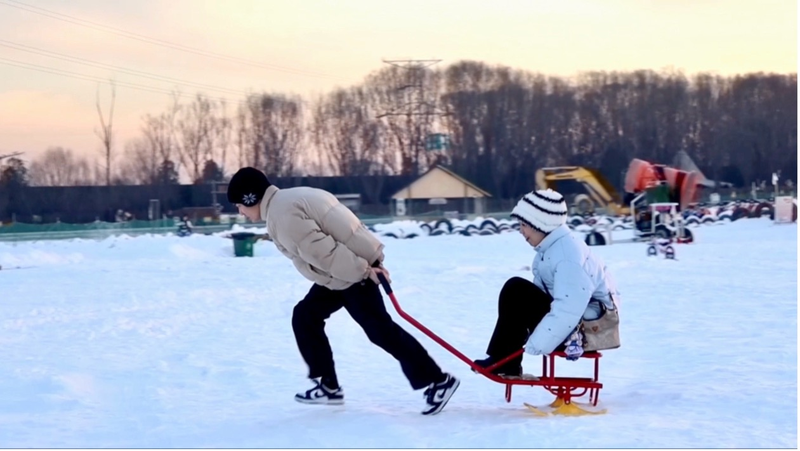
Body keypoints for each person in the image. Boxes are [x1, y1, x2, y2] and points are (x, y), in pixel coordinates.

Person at [226, 167, 460, 415]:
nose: (239, 211)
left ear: (251, 198)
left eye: (239, 205)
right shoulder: (291, 197)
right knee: (306, 316)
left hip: (351, 272)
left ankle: (438, 381)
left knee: (381, 332)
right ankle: (328, 386)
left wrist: (365, 271)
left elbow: (323, 252)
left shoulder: (281, 215)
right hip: (341, 273)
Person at [473, 189, 620, 376]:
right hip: (575, 325)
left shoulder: (567, 255)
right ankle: (504, 360)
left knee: (516, 290)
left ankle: (504, 360)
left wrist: (538, 343)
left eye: (524, 224)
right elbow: (538, 301)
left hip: (588, 331)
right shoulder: (550, 251)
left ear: (541, 223)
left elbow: (569, 307)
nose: (521, 231)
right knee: (517, 292)